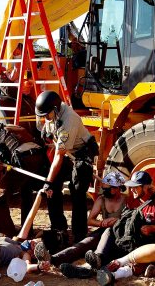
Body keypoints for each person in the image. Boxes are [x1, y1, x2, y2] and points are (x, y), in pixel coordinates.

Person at [61, 171, 155, 282]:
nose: (132, 190)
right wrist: (117, 221)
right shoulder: (133, 200)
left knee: (113, 254)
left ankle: (89, 269)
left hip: (143, 243)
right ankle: (96, 259)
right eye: (131, 186)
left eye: (136, 187)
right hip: (128, 239)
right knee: (109, 231)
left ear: (146, 187)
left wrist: (152, 228)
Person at [36, 90, 98, 242]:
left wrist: (47, 181)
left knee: (76, 191)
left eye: (47, 115)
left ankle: (79, 234)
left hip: (82, 154)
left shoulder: (69, 119)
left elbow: (59, 156)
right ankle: (59, 227)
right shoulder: (51, 114)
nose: (45, 119)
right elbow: (50, 127)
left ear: (55, 110)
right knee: (52, 189)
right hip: (67, 153)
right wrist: (50, 184)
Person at [35, 171, 129, 267]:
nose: (104, 191)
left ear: (117, 188)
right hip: (103, 230)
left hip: (120, 233)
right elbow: (90, 220)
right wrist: (102, 223)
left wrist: (118, 221)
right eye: (103, 189)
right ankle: (53, 259)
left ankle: (97, 258)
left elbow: (132, 219)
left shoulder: (127, 200)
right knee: (82, 244)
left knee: (105, 237)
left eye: (107, 189)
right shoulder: (101, 199)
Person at [0, 120, 49, 237]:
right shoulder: (13, 127)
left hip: (23, 160)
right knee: (26, 194)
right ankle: (27, 232)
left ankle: (8, 233)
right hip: (39, 158)